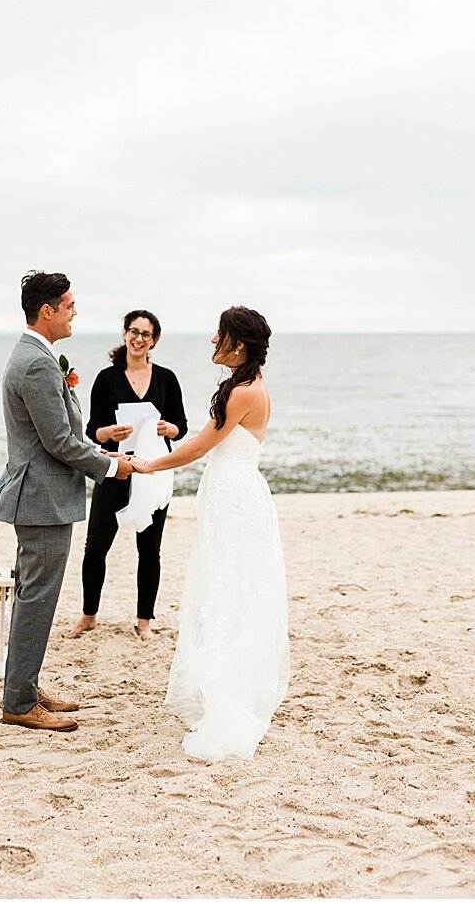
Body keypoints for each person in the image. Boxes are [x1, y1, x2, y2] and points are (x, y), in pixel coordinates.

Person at [128, 306, 289, 762]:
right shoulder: (243, 385)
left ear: (236, 343)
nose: (210, 341)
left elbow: (200, 446)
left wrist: (149, 463)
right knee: (223, 589)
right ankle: (222, 686)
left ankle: (230, 697)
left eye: (217, 335)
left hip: (236, 499)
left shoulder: (245, 391)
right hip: (228, 495)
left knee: (229, 591)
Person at [0, 271, 133, 733]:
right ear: (46, 311)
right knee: (37, 599)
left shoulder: (37, 356)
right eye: (69, 305)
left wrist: (100, 453)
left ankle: (23, 687)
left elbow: (62, 437)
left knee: (34, 595)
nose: (74, 312)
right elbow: (60, 442)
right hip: (41, 499)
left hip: (42, 495)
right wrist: (110, 467)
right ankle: (19, 702)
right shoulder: (35, 363)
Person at [66, 310, 188, 643]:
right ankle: (89, 615)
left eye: (146, 334)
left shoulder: (166, 378)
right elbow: (92, 431)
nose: (138, 339)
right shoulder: (107, 378)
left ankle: (144, 621)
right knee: (95, 549)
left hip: (153, 473)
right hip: (115, 469)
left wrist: (169, 427)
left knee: (149, 551)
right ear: (124, 334)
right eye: (133, 332)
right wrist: (109, 432)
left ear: (154, 340)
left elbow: (181, 427)